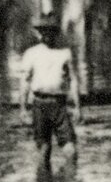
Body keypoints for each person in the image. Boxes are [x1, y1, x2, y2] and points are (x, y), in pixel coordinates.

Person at [20, 16, 79, 170]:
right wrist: (23, 108)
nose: (46, 35)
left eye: (50, 31)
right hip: (39, 103)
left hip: (59, 104)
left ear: (56, 33)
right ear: (38, 34)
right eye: (43, 31)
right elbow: (25, 81)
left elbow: (73, 79)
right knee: (44, 149)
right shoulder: (31, 54)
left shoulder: (65, 53)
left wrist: (78, 107)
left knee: (70, 150)